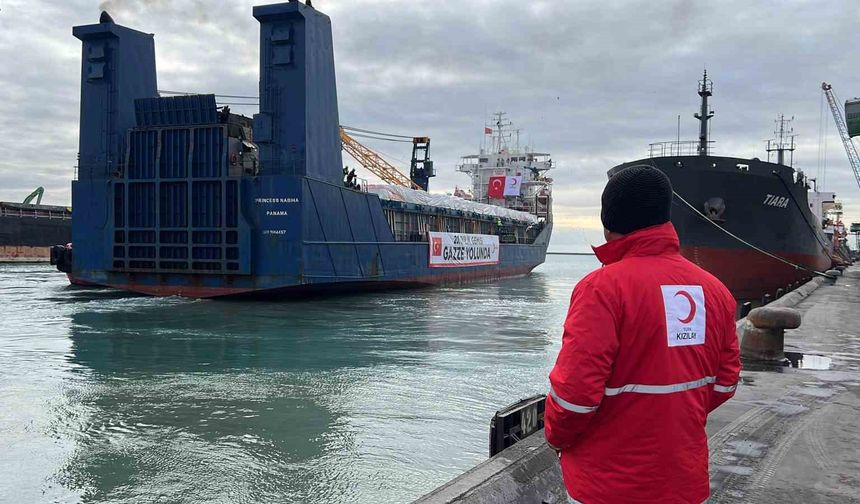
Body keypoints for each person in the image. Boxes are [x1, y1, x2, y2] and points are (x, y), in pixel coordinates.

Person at [544, 165, 740, 504]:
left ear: (609, 221)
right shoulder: (715, 290)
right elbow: (725, 383)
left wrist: (556, 438)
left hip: (607, 486)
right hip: (684, 482)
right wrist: (673, 414)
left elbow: (574, 397)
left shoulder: (601, 289)